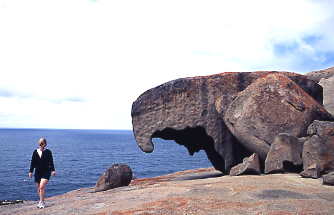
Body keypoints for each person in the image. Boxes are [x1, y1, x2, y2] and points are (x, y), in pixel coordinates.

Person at [28, 137, 56, 209]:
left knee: (42, 186)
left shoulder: (48, 152)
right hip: (37, 172)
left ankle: (42, 202)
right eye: (40, 143)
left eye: (42, 143)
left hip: (46, 171)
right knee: (39, 189)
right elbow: (33, 162)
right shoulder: (35, 152)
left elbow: (51, 161)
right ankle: (41, 201)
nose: (41, 145)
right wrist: (31, 171)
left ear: (45, 144)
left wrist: (53, 170)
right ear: (38, 144)